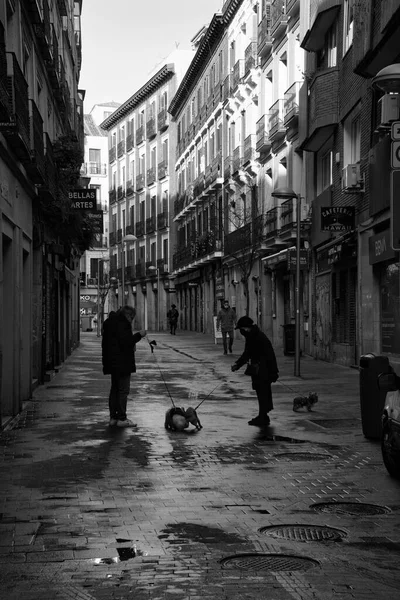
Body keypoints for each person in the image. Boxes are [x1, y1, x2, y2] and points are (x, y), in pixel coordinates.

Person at [102, 305, 146, 427]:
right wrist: (139, 335)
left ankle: (113, 418)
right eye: (132, 317)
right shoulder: (123, 323)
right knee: (123, 390)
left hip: (112, 361)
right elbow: (125, 342)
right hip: (122, 362)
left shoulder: (110, 322)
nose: (132, 320)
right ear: (127, 315)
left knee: (115, 389)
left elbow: (117, 341)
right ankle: (122, 418)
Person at [231, 316, 279, 427]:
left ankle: (263, 416)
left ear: (246, 328)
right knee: (261, 392)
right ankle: (263, 415)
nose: (241, 332)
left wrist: (273, 372)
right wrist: (238, 365)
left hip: (263, 370)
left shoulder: (258, 337)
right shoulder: (252, 336)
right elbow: (247, 353)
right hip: (258, 370)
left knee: (263, 392)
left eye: (241, 329)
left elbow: (269, 354)